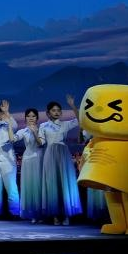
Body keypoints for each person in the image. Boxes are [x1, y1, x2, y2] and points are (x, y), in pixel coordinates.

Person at [39, 95, 82, 225]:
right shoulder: (43, 126)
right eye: (53, 110)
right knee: (52, 183)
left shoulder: (65, 124)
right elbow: (41, 142)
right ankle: (55, 215)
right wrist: (35, 134)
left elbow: (80, 119)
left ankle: (66, 214)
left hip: (63, 154)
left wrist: (72, 105)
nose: (56, 112)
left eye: (58, 110)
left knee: (65, 183)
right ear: (48, 113)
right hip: (50, 154)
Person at [15, 107, 45, 223]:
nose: (31, 118)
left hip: (39, 158)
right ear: (25, 118)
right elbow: (13, 138)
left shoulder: (42, 129)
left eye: (33, 116)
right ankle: (32, 213)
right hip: (27, 159)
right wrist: (8, 123)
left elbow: (41, 144)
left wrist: (35, 132)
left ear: (37, 118)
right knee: (30, 185)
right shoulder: (23, 131)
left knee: (39, 185)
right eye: (28, 116)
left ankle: (41, 213)